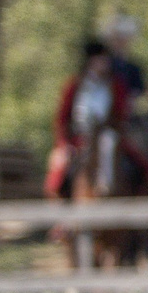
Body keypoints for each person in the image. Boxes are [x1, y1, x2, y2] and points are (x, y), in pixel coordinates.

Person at [46, 39, 138, 199]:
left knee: (134, 163)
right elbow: (62, 119)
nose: (105, 63)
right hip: (79, 139)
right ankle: (63, 215)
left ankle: (109, 188)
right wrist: (63, 144)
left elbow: (122, 115)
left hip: (109, 134)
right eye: (100, 59)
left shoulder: (115, 86)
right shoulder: (75, 85)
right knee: (60, 173)